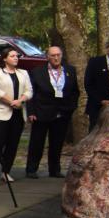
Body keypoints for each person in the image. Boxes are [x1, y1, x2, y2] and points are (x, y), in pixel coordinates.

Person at [25, 46, 79, 179]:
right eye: (53, 55)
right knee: (37, 142)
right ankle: (31, 169)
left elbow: (74, 92)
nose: (56, 58)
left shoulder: (70, 71)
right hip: (41, 112)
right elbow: (31, 93)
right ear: (47, 57)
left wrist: (70, 108)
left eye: (58, 55)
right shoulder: (37, 72)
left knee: (57, 143)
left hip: (62, 113)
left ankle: (54, 170)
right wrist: (31, 111)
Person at [0, 45, 32, 182]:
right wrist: (11, 101)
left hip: (18, 114)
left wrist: (20, 100)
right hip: (1, 113)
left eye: (17, 56)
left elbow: (29, 91)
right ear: (4, 59)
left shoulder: (23, 73)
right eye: (12, 56)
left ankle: (6, 171)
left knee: (13, 143)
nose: (16, 58)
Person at [83, 38, 109, 132]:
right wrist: (101, 101)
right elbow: (88, 85)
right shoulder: (95, 62)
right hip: (97, 107)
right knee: (95, 135)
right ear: (108, 48)